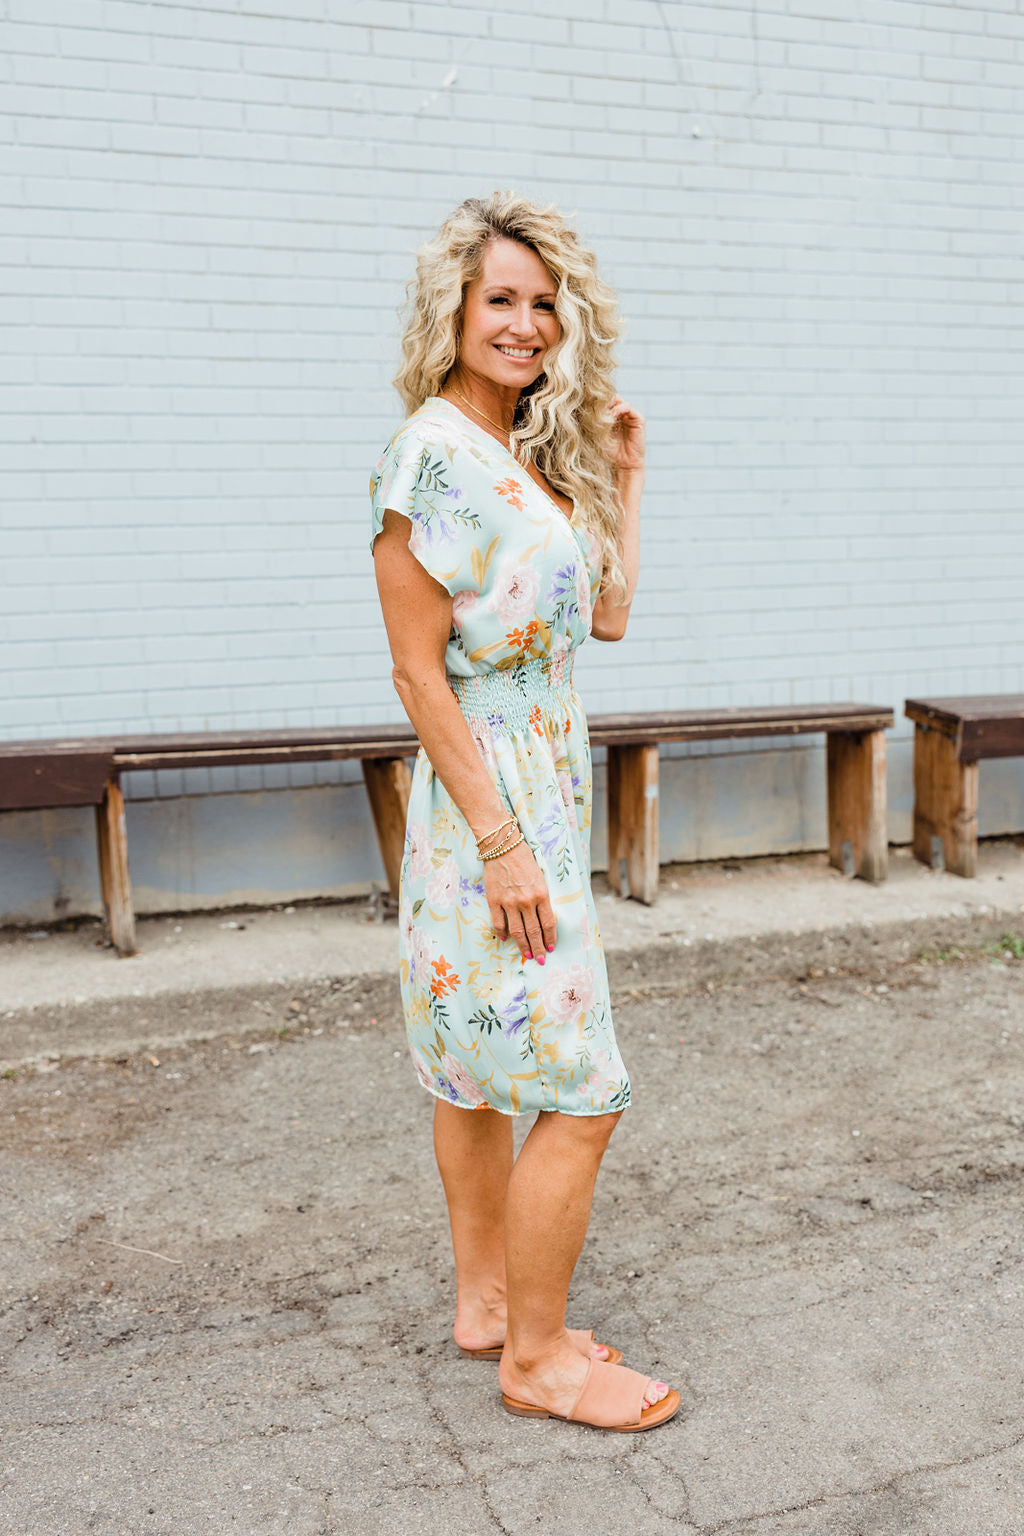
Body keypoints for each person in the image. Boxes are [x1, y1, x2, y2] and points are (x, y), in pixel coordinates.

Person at [369, 191, 679, 1433]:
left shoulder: (518, 453)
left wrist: (623, 477)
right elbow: (416, 676)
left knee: (474, 1073)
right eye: (499, 298)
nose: (525, 323)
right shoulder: (434, 456)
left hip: (534, 787)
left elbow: (606, 617)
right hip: (487, 807)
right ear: (452, 311)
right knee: (582, 1087)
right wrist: (501, 844)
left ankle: (490, 1305)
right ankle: (538, 1361)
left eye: (543, 303)